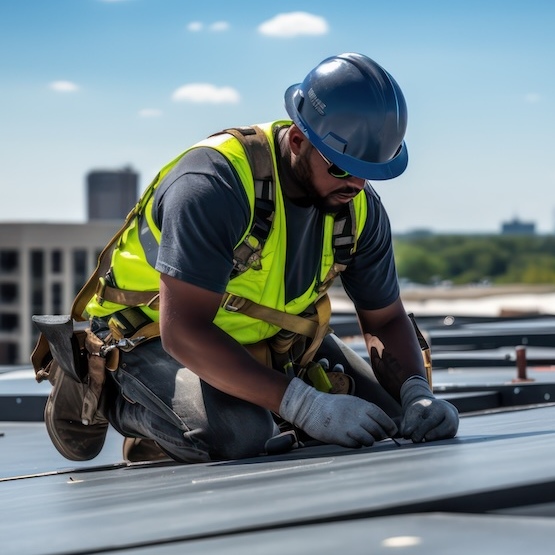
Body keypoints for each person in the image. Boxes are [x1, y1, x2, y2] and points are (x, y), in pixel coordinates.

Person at [40, 52, 459, 464]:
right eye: (340, 168)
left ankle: (210, 419)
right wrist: (305, 406)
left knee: (397, 419)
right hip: (151, 337)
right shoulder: (213, 185)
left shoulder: (360, 207)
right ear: (298, 140)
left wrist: (416, 393)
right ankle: (123, 402)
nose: (355, 183)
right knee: (240, 435)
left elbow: (384, 319)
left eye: (369, 170)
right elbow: (183, 330)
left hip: (265, 341)